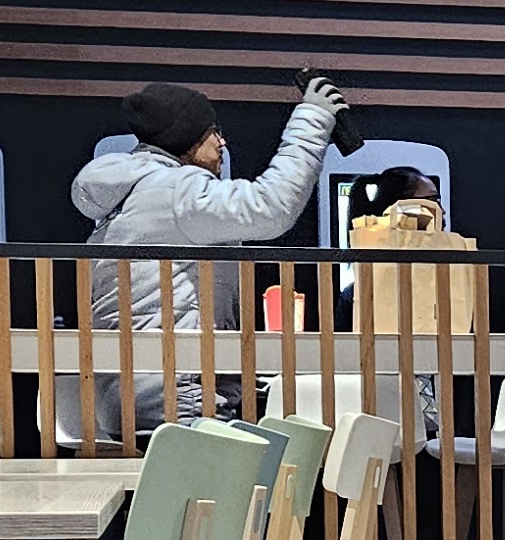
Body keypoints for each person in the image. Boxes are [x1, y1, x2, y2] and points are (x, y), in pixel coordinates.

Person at [73, 68, 341, 429]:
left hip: (138, 395)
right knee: (296, 446)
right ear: (185, 140)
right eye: (211, 132)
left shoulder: (132, 195)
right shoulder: (177, 192)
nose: (222, 142)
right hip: (176, 398)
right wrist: (313, 119)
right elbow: (272, 206)